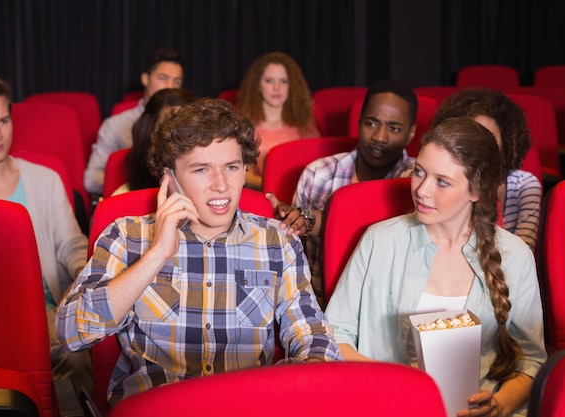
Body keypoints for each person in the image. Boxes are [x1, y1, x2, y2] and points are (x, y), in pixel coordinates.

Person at [56, 98, 341, 404]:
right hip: (158, 408)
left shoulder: (277, 242)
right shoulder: (127, 236)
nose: (221, 185)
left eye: (231, 167)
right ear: (170, 178)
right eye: (202, 169)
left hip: (245, 406)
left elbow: (311, 332)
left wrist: (312, 372)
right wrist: (156, 255)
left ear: (246, 170)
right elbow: (73, 332)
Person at [325, 118, 546, 416]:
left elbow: (531, 361)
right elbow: (334, 336)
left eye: (442, 181)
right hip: (386, 404)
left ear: (476, 191)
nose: (422, 190)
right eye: (419, 172)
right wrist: (398, 382)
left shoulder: (515, 256)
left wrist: (501, 404)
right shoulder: (379, 240)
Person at [0, 72, 92, 391]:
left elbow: (72, 245)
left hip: (43, 312)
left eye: (3, 121)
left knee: (78, 357)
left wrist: (82, 276)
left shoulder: (45, 180)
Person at [267, 79, 418, 301]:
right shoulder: (318, 174)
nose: (379, 137)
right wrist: (285, 222)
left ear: (411, 133)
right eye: (371, 123)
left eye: (394, 128)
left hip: (392, 302)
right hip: (321, 301)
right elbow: (297, 259)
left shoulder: (418, 180)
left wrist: (311, 218)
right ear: (359, 122)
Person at [431, 87, 542, 251]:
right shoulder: (438, 179)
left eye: (489, 137)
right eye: (470, 136)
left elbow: (524, 250)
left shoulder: (525, 185)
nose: (479, 146)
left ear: (505, 141)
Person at [84, 48, 185, 195]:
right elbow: (91, 180)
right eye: (162, 78)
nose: (170, 86)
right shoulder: (115, 125)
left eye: (177, 81)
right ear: (145, 79)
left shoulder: (187, 122)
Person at [237, 51, 320, 190]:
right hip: (262, 197)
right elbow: (243, 177)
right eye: (269, 81)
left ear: (291, 86)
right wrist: (277, 188)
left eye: (283, 81)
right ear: (257, 85)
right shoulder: (243, 126)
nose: (277, 87)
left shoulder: (305, 125)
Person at [111, 87, 197, 196]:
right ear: (151, 134)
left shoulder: (217, 190)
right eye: (169, 130)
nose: (181, 139)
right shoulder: (123, 199)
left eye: (188, 129)